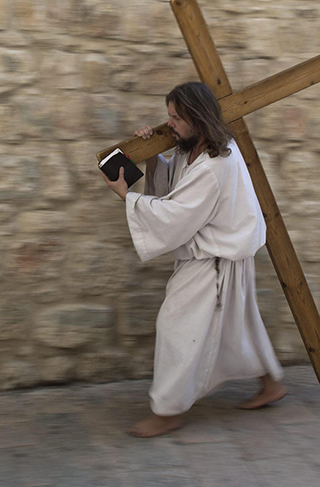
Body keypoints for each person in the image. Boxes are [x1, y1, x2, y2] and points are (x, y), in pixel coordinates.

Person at [101, 81, 287, 438]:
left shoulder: (215, 165)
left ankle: (168, 412)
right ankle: (271, 384)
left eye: (176, 118)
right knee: (236, 326)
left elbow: (177, 213)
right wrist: (152, 154)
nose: (169, 124)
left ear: (198, 119)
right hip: (220, 254)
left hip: (214, 260)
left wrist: (127, 196)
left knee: (175, 327)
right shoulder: (197, 150)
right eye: (169, 116)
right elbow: (177, 185)